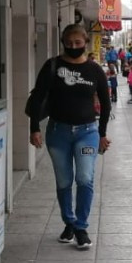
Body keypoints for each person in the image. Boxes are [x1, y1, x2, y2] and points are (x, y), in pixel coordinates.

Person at [28, 24, 111, 248]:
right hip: (58, 133)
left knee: (85, 178)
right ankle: (69, 222)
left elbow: (105, 102)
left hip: (87, 133)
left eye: (78, 43)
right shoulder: (52, 66)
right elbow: (37, 97)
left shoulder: (94, 70)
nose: (74, 47)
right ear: (63, 42)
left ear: (85, 42)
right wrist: (34, 127)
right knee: (64, 181)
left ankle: (81, 227)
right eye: (69, 43)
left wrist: (102, 134)